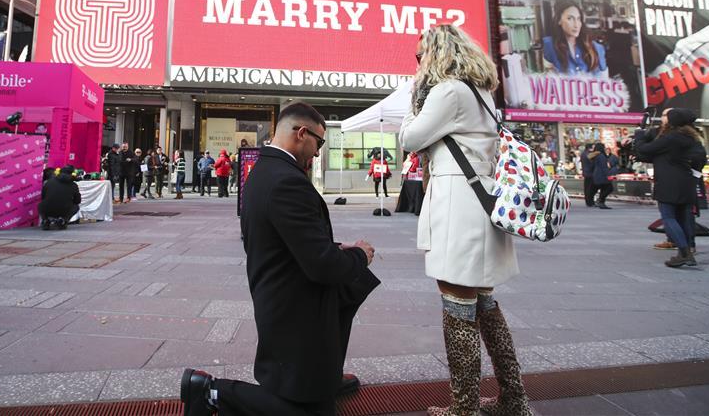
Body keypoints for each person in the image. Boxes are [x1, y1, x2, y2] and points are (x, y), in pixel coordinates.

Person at [181, 102, 379, 416]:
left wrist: (329, 248)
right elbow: (322, 265)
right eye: (319, 143)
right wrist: (358, 255)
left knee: (308, 387)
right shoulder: (287, 181)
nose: (317, 153)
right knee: (311, 409)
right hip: (296, 308)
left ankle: (324, 381)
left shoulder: (265, 170)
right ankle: (213, 392)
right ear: (302, 133)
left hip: (280, 296)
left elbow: (284, 239)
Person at [399, 25, 529, 416]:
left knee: (457, 308)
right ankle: (513, 398)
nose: (417, 62)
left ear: (437, 53)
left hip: (460, 205)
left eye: (420, 55)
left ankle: (464, 408)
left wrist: (413, 103)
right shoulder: (481, 93)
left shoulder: (449, 91)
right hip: (482, 203)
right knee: (485, 306)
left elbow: (410, 138)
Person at [629, 108, 707, 268]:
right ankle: (687, 251)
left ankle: (684, 252)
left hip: (668, 183)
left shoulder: (671, 138)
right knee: (684, 217)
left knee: (668, 217)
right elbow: (659, 156)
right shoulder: (691, 138)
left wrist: (639, 135)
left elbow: (645, 149)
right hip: (686, 182)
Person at [542, 0, 607, 75]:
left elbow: (604, 81)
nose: (576, 25)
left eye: (578, 19)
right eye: (570, 18)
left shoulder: (596, 48)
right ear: (559, 20)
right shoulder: (549, 45)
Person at [39, 165, 82, 230]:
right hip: (64, 210)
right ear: (72, 174)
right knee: (76, 207)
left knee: (40, 205)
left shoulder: (49, 182)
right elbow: (77, 201)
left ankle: (45, 220)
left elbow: (43, 197)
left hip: (47, 209)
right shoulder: (74, 185)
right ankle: (63, 220)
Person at [590, 142, 614, 209]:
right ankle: (601, 201)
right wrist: (608, 174)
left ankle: (601, 201)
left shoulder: (595, 155)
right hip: (602, 175)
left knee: (603, 188)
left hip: (596, 174)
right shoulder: (601, 156)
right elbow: (604, 167)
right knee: (609, 188)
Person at [580, 143, 596, 207]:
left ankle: (588, 201)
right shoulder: (589, 154)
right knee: (590, 188)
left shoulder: (583, 153)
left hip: (586, 172)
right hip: (590, 173)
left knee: (587, 188)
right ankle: (590, 201)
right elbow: (591, 163)